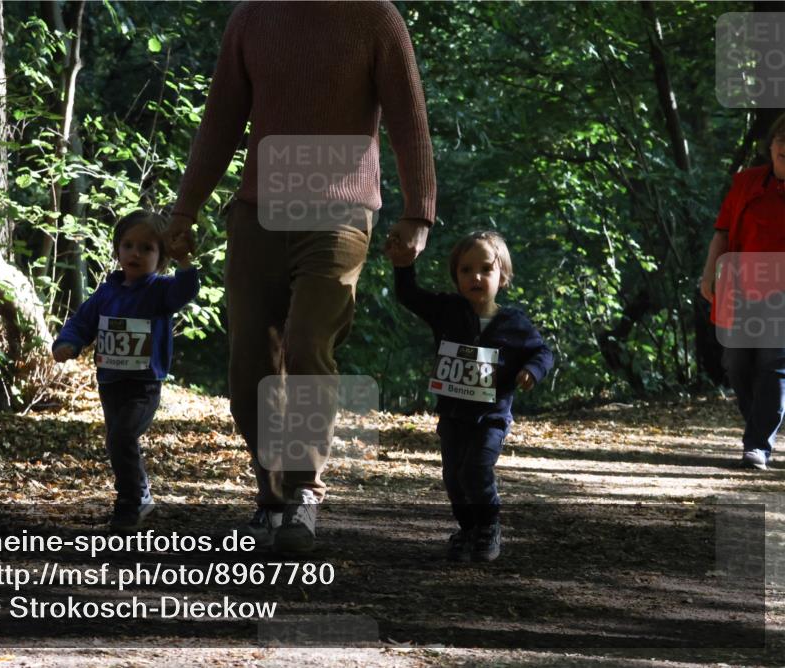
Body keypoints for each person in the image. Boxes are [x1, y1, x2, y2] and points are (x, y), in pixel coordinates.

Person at [166, 1, 437, 551]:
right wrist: (184, 211)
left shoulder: (375, 19)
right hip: (260, 210)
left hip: (341, 211)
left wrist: (418, 213)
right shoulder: (251, 18)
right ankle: (271, 496)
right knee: (250, 362)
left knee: (310, 340)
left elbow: (409, 118)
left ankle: (304, 492)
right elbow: (220, 120)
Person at [385, 230, 553, 562]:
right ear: (456, 275)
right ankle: (468, 528)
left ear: (502, 276)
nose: (475, 277)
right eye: (465, 270)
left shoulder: (513, 322)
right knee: (454, 477)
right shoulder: (447, 310)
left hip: (491, 416)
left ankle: (489, 525)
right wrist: (403, 264)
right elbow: (409, 295)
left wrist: (532, 371)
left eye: (485, 270)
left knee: (476, 469)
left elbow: (542, 352)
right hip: (452, 415)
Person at [52, 211, 199, 531]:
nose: (135, 253)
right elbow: (81, 323)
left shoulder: (161, 290)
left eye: (147, 248)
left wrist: (184, 261)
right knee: (118, 441)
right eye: (128, 245)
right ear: (117, 249)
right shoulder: (107, 292)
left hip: (144, 385)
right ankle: (141, 495)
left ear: (161, 257)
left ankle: (129, 503)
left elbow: (185, 290)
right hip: (110, 382)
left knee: (122, 436)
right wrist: (67, 344)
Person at [700, 113, 785, 471]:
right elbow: (721, 233)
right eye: (783, 141)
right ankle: (761, 426)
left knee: (773, 365)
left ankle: (757, 444)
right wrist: (708, 275)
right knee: (736, 364)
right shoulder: (747, 183)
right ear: (771, 145)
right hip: (741, 290)